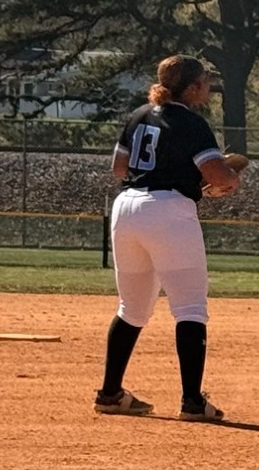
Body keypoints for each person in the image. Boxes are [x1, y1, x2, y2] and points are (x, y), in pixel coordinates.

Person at [94, 55, 242, 422]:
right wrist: (228, 181)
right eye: (205, 81)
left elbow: (119, 168)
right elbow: (218, 175)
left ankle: (110, 392)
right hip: (169, 210)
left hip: (127, 208)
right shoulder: (192, 122)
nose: (207, 87)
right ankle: (192, 401)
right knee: (190, 308)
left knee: (131, 308)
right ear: (191, 88)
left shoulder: (138, 115)